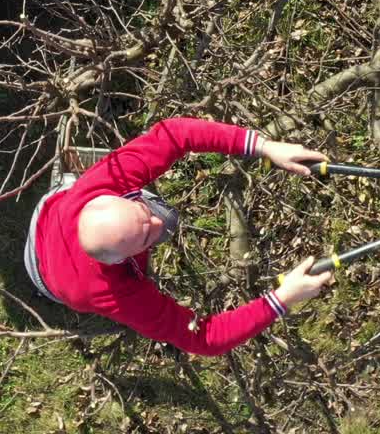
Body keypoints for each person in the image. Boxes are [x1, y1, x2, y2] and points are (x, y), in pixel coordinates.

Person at [24, 117, 336, 356]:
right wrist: (282, 299)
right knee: (167, 223)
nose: (157, 226)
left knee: (168, 218)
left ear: (112, 197)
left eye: (142, 214)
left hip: (47, 215)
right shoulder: (117, 293)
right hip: (48, 278)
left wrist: (265, 146)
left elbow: (175, 134)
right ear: (120, 261)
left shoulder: (101, 183)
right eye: (146, 240)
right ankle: (44, 288)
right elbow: (203, 338)